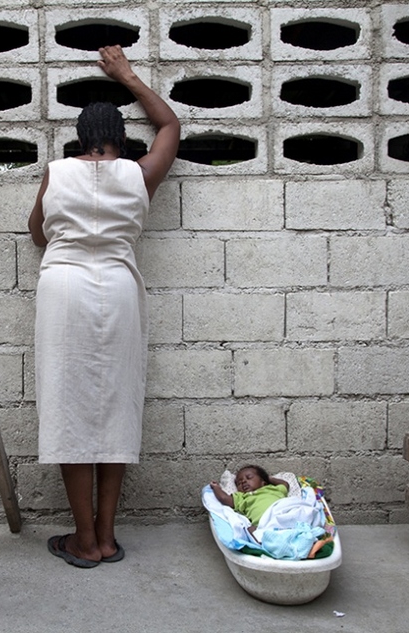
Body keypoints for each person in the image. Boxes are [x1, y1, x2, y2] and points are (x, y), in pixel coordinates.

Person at [29, 45, 180, 568]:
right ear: (119, 138)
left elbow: (36, 234)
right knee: (116, 408)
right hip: (118, 288)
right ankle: (108, 538)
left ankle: (82, 539)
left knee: (69, 408)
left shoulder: (57, 172)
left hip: (64, 288)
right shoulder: (139, 175)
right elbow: (170, 125)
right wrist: (127, 76)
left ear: (80, 138)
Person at [209, 465, 290, 525]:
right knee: (250, 530)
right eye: (239, 483)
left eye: (249, 477)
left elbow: (285, 484)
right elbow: (224, 498)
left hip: (285, 514)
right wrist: (216, 488)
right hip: (265, 523)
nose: (243, 481)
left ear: (263, 482)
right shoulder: (242, 497)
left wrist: (268, 478)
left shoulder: (272, 489)